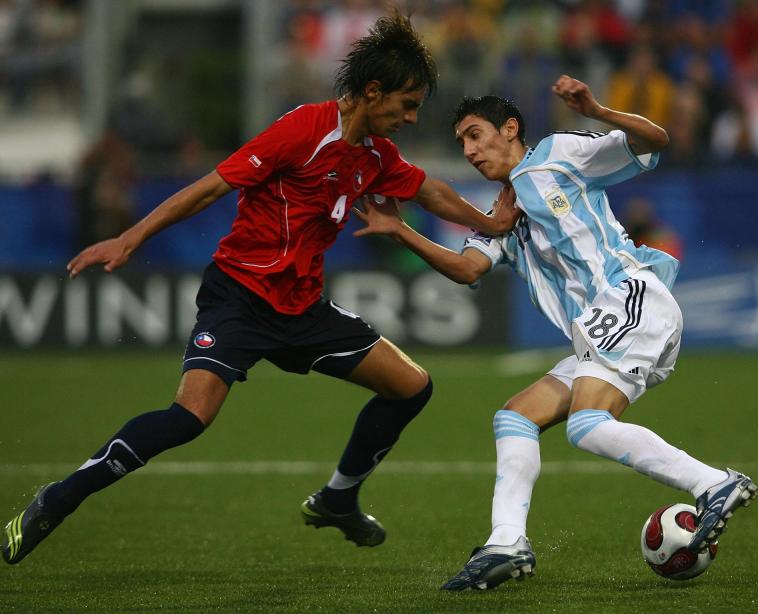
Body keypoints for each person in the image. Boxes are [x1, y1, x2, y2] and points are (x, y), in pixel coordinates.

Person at [1, 11, 518, 566]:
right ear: (373, 92)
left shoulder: (375, 156)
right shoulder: (302, 130)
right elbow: (209, 187)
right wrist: (130, 238)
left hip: (303, 309)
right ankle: (58, 499)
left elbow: (432, 192)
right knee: (188, 418)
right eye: (407, 104)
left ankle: (338, 498)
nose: (413, 118)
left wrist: (491, 224)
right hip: (240, 299)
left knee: (412, 386)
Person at [353, 76, 758, 591]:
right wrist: (400, 230)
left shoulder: (557, 155)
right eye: (461, 144)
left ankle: (714, 484)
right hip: (599, 328)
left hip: (627, 297)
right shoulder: (500, 217)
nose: (470, 150)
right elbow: (467, 269)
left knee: (586, 425)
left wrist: (595, 109)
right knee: (515, 417)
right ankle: (506, 543)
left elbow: (655, 140)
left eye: (476, 135)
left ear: (511, 129)